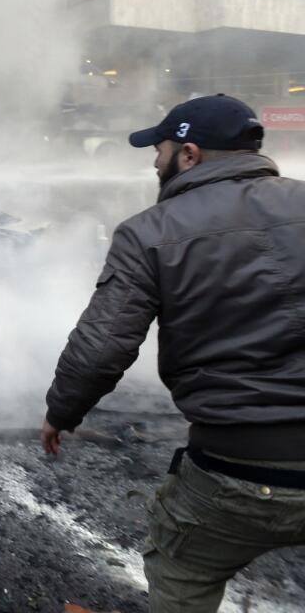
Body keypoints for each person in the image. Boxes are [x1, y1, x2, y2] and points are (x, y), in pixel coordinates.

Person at [40, 94, 305, 612]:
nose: (153, 162)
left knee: (182, 572)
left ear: (189, 154)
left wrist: (60, 414)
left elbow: (101, 350)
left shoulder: (150, 232)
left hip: (236, 470)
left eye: (158, 150)